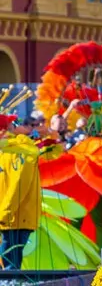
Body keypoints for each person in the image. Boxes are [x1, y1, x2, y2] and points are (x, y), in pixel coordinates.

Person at [0, 115, 41, 270]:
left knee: (9, 267)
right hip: (8, 218)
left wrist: (4, 213)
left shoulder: (20, 150)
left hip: (14, 219)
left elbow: (19, 185)